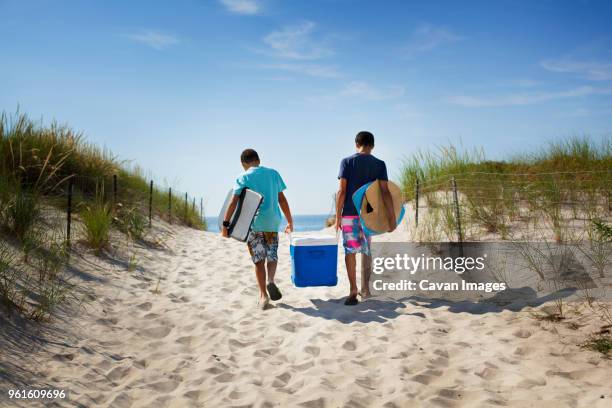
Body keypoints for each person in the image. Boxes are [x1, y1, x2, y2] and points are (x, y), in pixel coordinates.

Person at [221, 149, 293, 310]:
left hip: (255, 223)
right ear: (258, 160)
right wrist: (290, 221)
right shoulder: (274, 174)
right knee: (272, 255)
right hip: (273, 222)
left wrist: (226, 225)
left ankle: (263, 295)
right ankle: (271, 281)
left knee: (258, 260)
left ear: (243, 164)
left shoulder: (243, 177)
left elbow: (233, 202)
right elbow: (282, 199)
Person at [335, 131, 396, 306]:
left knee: (350, 251)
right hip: (369, 216)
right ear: (372, 145)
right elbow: (385, 192)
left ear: (356, 144)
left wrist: (338, 217)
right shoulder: (379, 164)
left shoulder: (347, 162)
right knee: (366, 250)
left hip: (349, 213)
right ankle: (366, 289)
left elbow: (342, 191)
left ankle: (353, 289)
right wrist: (392, 218)